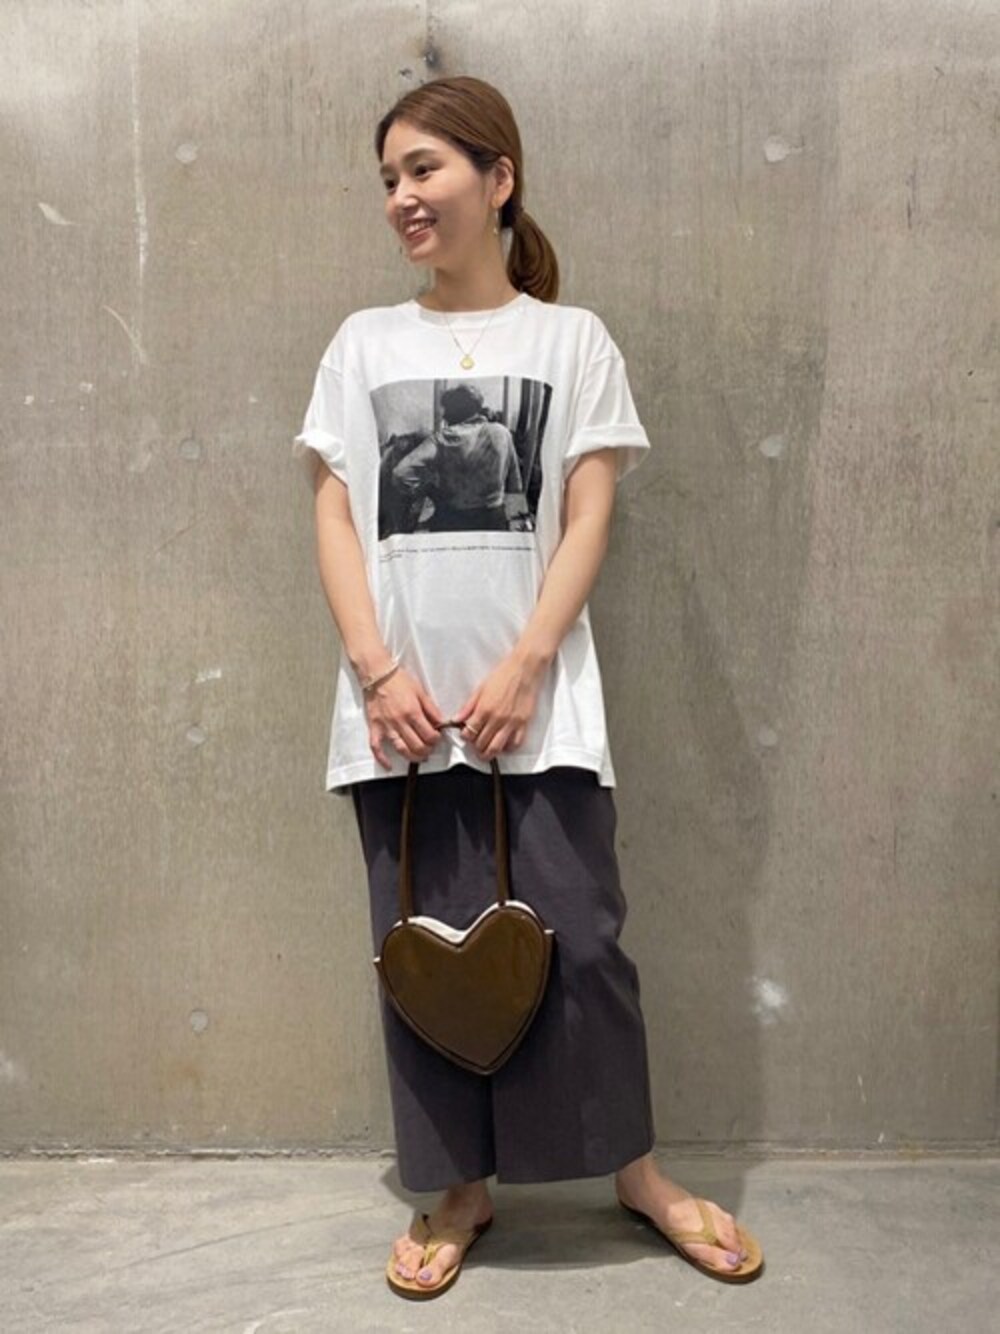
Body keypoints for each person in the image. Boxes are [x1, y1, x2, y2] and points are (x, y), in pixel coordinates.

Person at [293, 74, 764, 1300]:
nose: (401, 197)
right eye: (388, 178)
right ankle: (459, 1185)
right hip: (396, 716)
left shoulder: (571, 340)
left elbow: (588, 514)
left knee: (583, 945)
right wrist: (377, 670)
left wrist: (524, 662)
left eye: (425, 169)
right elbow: (334, 515)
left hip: (539, 703)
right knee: (421, 950)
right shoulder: (361, 344)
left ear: (498, 178)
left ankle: (635, 1171)